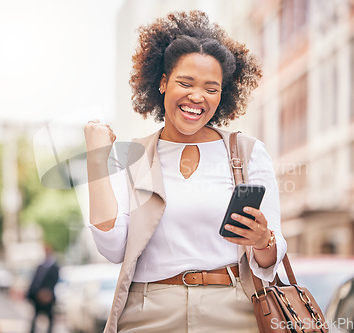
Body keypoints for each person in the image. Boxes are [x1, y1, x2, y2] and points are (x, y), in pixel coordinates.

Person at [83, 10, 287, 333]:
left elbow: (269, 261)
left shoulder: (248, 154)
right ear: (163, 82)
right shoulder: (135, 156)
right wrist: (96, 158)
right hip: (149, 312)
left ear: (222, 95)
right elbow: (113, 248)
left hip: (231, 309)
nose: (197, 96)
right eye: (185, 82)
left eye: (211, 88)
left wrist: (263, 240)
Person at [26, 244, 60, 333]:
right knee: (35, 317)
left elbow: (54, 280)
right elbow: (35, 281)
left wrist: (47, 292)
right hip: (37, 296)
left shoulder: (54, 267)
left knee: (49, 318)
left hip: (48, 296)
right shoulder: (41, 265)